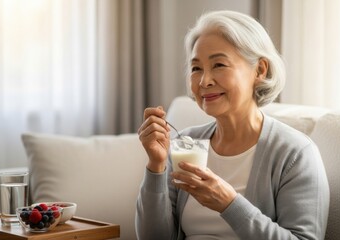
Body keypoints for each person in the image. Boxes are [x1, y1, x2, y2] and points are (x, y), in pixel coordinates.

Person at [136, 10, 329, 240]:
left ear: (259, 70)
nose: (204, 80)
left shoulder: (295, 154)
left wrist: (230, 204)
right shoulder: (185, 145)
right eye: (196, 68)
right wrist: (156, 166)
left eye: (219, 64)